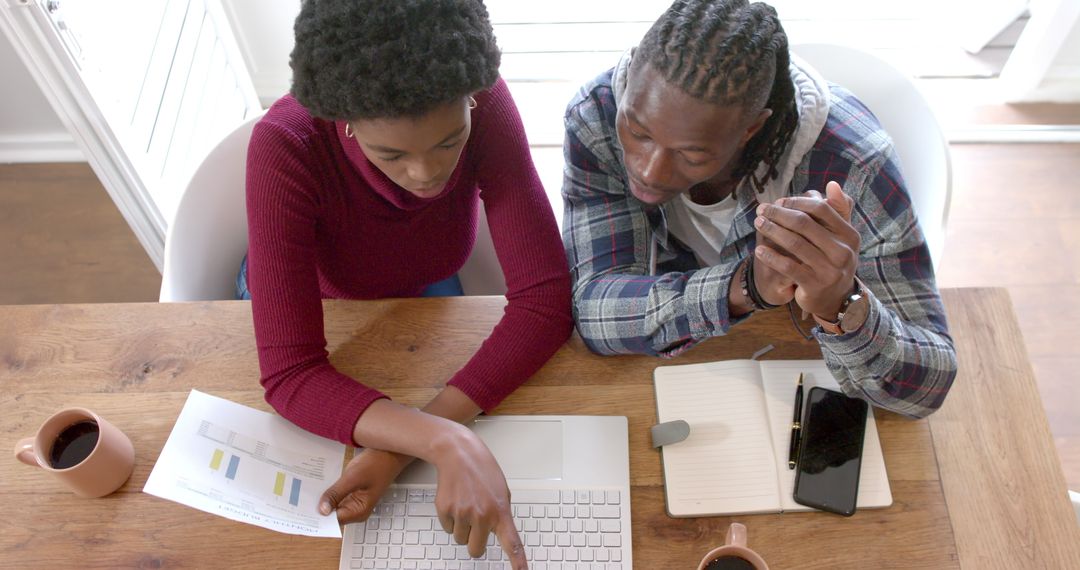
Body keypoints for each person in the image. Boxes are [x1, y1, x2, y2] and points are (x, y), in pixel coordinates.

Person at [242, 1, 572, 564]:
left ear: (471, 101)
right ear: (345, 121)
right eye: (390, 154)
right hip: (323, 297)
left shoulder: (485, 98)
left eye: (449, 140)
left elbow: (545, 301)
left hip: (425, 290)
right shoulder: (286, 145)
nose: (426, 174)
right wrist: (445, 440)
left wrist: (403, 447)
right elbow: (290, 374)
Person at [561, 0, 956, 417]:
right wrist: (746, 285)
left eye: (691, 155)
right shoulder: (598, 115)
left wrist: (841, 305)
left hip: (783, 358)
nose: (648, 170)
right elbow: (595, 312)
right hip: (682, 363)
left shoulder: (854, 163)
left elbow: (927, 390)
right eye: (637, 132)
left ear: (752, 127)